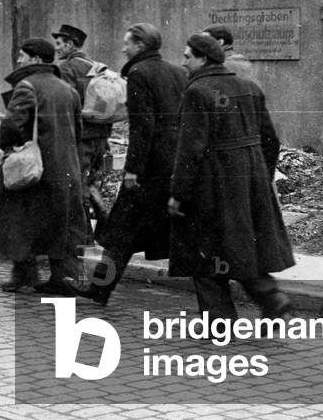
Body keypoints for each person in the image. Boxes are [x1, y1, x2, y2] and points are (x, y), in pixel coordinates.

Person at [168, 33, 294, 321]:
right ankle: (272, 299)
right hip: (249, 180)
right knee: (240, 247)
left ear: (203, 59)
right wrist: (261, 175)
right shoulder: (248, 87)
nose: (183, 62)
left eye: (188, 56)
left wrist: (179, 192)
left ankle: (220, 321)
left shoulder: (197, 91)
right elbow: (271, 139)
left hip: (211, 182)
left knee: (204, 250)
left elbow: (191, 148)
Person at [76, 23, 186, 305]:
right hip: (173, 163)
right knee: (176, 231)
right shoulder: (177, 72)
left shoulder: (138, 74)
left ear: (140, 45)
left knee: (121, 232)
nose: (123, 48)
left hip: (147, 169)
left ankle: (100, 289)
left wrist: (133, 169)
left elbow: (142, 126)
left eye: (127, 43)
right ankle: (100, 288)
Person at [0, 38, 87, 294]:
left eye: (22, 55)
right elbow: (78, 131)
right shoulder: (68, 89)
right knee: (61, 224)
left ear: (35, 59)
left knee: (21, 220)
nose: (18, 59)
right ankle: (64, 278)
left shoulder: (26, 86)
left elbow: (12, 127)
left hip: (35, 169)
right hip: (65, 167)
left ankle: (23, 275)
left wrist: (5, 141)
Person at [52, 24, 112, 225]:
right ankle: (102, 219)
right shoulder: (98, 66)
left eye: (59, 44)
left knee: (77, 183)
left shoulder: (66, 68)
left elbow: (67, 103)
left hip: (81, 136)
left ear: (70, 44)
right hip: (100, 135)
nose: (57, 48)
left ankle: (84, 235)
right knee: (89, 180)